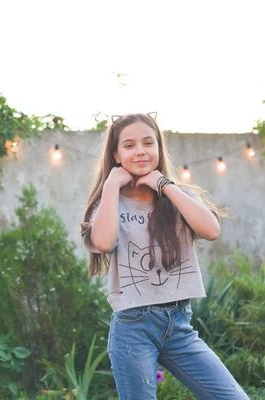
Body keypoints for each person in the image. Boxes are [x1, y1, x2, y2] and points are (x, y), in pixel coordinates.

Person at [81, 113, 249, 399]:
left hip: (179, 324)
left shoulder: (176, 196)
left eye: (148, 142)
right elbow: (105, 241)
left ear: (159, 148)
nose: (141, 151)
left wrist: (165, 185)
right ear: (116, 155)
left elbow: (211, 230)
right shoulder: (110, 202)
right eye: (129, 145)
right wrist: (110, 185)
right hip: (133, 328)